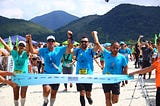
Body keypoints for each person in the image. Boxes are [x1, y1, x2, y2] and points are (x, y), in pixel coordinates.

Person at [26, 30, 73, 106]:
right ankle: (45, 101)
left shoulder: (59, 49)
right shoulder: (43, 50)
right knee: (46, 90)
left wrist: (70, 37)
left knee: (54, 93)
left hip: (57, 75)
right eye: (49, 41)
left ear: (54, 42)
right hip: (46, 74)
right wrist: (29, 40)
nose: (51, 42)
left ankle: (51, 105)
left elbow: (70, 46)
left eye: (52, 41)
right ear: (47, 42)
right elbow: (32, 51)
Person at [91, 31, 128, 106]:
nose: (115, 49)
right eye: (113, 48)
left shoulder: (122, 57)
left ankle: (112, 98)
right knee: (107, 99)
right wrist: (94, 34)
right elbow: (97, 44)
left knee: (115, 101)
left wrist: (125, 77)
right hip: (106, 79)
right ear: (111, 48)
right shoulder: (106, 53)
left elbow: (126, 66)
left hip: (116, 80)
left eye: (117, 48)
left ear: (119, 48)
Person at [129, 37, 160, 106]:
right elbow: (149, 69)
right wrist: (134, 73)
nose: (157, 47)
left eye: (157, 45)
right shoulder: (158, 59)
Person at [0, 37, 30, 106]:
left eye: (23, 45)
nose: (21, 46)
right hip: (15, 76)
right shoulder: (14, 53)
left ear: (25, 47)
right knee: (16, 95)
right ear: (18, 46)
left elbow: (28, 50)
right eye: (20, 45)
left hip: (24, 76)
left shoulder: (26, 54)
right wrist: (0, 39)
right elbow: (6, 46)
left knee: (23, 94)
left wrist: (28, 41)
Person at [73, 36, 97, 106]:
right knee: (82, 92)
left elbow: (97, 46)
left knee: (88, 93)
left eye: (85, 42)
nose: (84, 43)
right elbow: (70, 50)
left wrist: (95, 35)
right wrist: (70, 37)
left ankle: (89, 98)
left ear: (88, 43)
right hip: (79, 75)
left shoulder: (91, 51)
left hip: (89, 75)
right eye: (82, 41)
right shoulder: (77, 50)